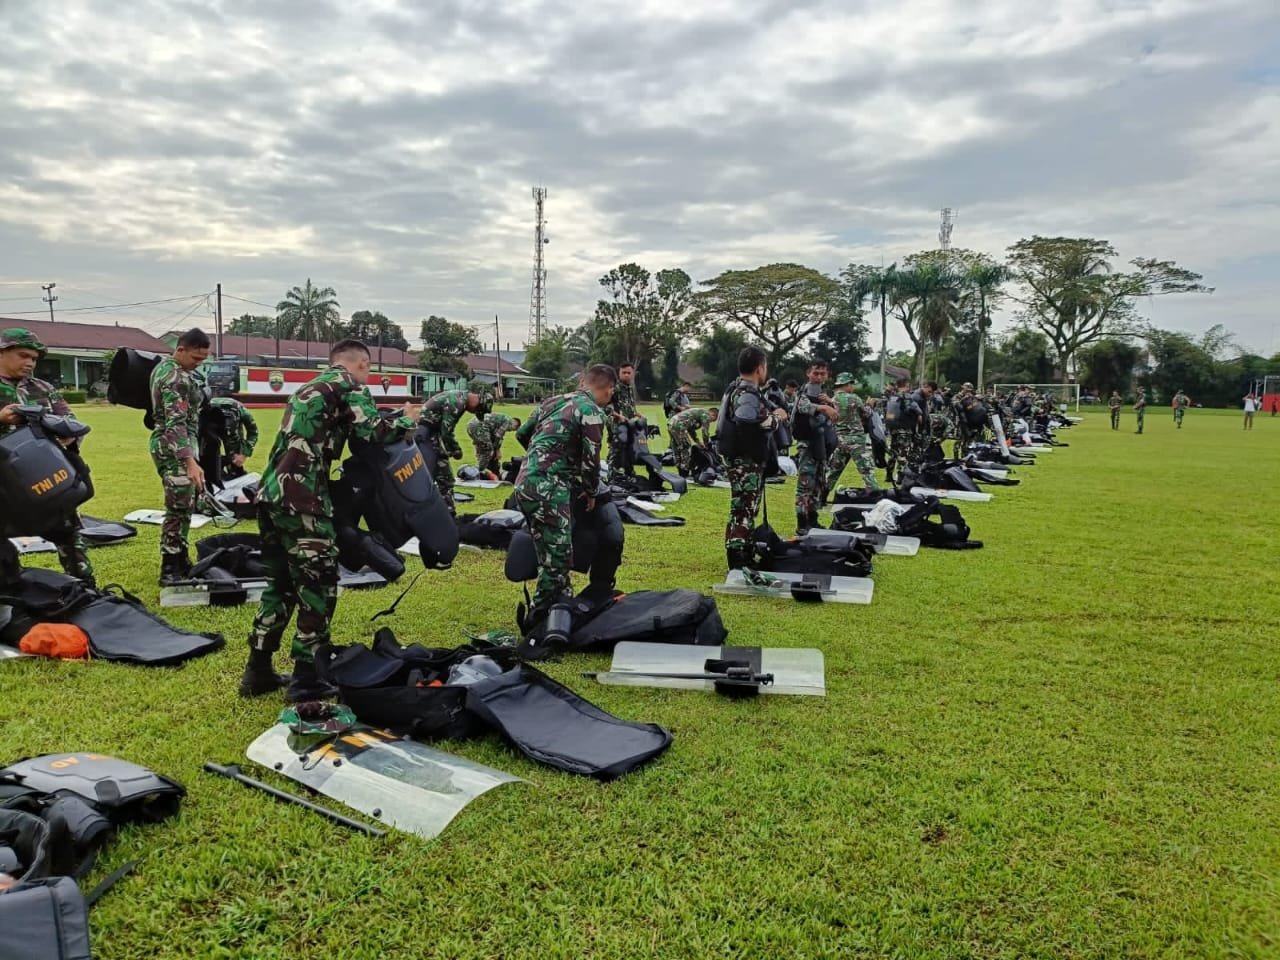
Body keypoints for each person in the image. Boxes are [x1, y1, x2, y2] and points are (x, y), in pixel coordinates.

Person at [239, 339, 421, 700]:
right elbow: (372, 433)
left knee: (280, 586)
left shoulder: (310, 387)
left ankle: (257, 671)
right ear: (363, 365)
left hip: (271, 495)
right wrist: (407, 419)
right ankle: (308, 678)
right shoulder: (350, 385)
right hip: (302, 500)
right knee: (317, 586)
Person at [512, 364, 616, 614]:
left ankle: (562, 602)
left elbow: (522, 434)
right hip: (549, 488)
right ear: (608, 390)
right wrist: (590, 492)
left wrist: (543, 456)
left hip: (525, 482)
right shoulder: (591, 411)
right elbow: (591, 461)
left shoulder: (552, 402)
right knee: (557, 558)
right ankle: (539, 617)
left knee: (551, 550)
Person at [0, 327, 94, 588]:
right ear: (2, 352)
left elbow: (71, 421)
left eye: (34, 358)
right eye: (23, 356)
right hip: (4, 485)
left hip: (43, 478)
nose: (30, 363)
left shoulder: (42, 388)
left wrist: (66, 435)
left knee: (69, 535)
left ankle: (85, 590)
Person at [150, 328, 210, 585]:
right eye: (195, 359)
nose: (198, 364)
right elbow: (176, 423)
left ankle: (181, 558)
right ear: (181, 349)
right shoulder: (176, 377)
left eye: (203, 360)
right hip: (175, 448)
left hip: (176, 444)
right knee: (177, 509)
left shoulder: (165, 368)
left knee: (185, 507)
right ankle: (170, 569)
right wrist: (190, 462)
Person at [720, 346, 788, 568]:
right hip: (745, 460)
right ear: (760, 368)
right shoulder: (746, 393)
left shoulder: (735, 388)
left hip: (740, 457)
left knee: (742, 506)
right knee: (744, 507)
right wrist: (776, 417)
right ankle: (739, 558)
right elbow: (747, 419)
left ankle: (741, 548)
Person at [419, 386, 486, 515]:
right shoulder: (458, 402)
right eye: (477, 409)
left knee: (445, 476)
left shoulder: (460, 398)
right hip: (425, 434)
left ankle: (447, 512)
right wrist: (456, 450)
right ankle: (431, 512)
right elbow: (446, 431)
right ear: (477, 400)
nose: (474, 412)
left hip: (431, 434)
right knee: (430, 473)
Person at [793, 361, 837, 534]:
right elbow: (801, 407)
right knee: (805, 484)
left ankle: (813, 519)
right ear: (808, 374)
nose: (819, 377)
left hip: (821, 444)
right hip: (808, 443)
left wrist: (830, 404)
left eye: (823, 374)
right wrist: (822, 407)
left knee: (818, 484)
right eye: (816, 373)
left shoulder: (823, 393)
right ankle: (802, 523)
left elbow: (835, 416)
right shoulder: (804, 391)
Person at [825, 373, 879, 494]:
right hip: (856, 441)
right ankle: (875, 496)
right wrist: (870, 404)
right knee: (866, 470)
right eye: (852, 384)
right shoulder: (854, 398)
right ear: (847, 384)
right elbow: (866, 414)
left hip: (839, 440)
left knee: (833, 472)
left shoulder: (832, 400)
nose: (853, 387)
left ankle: (820, 497)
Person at [201, 393, 258, 487]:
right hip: (209, 429)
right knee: (208, 456)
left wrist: (244, 453)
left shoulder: (241, 410)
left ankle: (235, 472)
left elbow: (253, 432)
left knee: (235, 458)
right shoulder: (204, 410)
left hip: (232, 434)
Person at [604, 362, 637, 477]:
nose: (626, 375)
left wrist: (637, 414)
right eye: (624, 373)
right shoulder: (615, 388)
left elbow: (629, 405)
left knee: (629, 447)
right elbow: (606, 406)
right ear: (619, 373)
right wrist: (618, 416)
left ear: (633, 374)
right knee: (617, 447)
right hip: (616, 423)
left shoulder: (630, 388)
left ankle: (629, 471)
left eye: (629, 373)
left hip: (629, 423)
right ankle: (611, 472)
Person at [667, 405, 717, 476]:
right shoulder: (705, 415)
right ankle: (684, 470)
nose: (711, 422)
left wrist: (698, 442)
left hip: (671, 424)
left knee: (676, 447)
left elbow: (691, 430)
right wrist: (707, 445)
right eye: (713, 420)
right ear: (713, 415)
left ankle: (679, 467)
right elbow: (705, 432)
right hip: (679, 426)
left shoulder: (698, 413)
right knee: (686, 446)